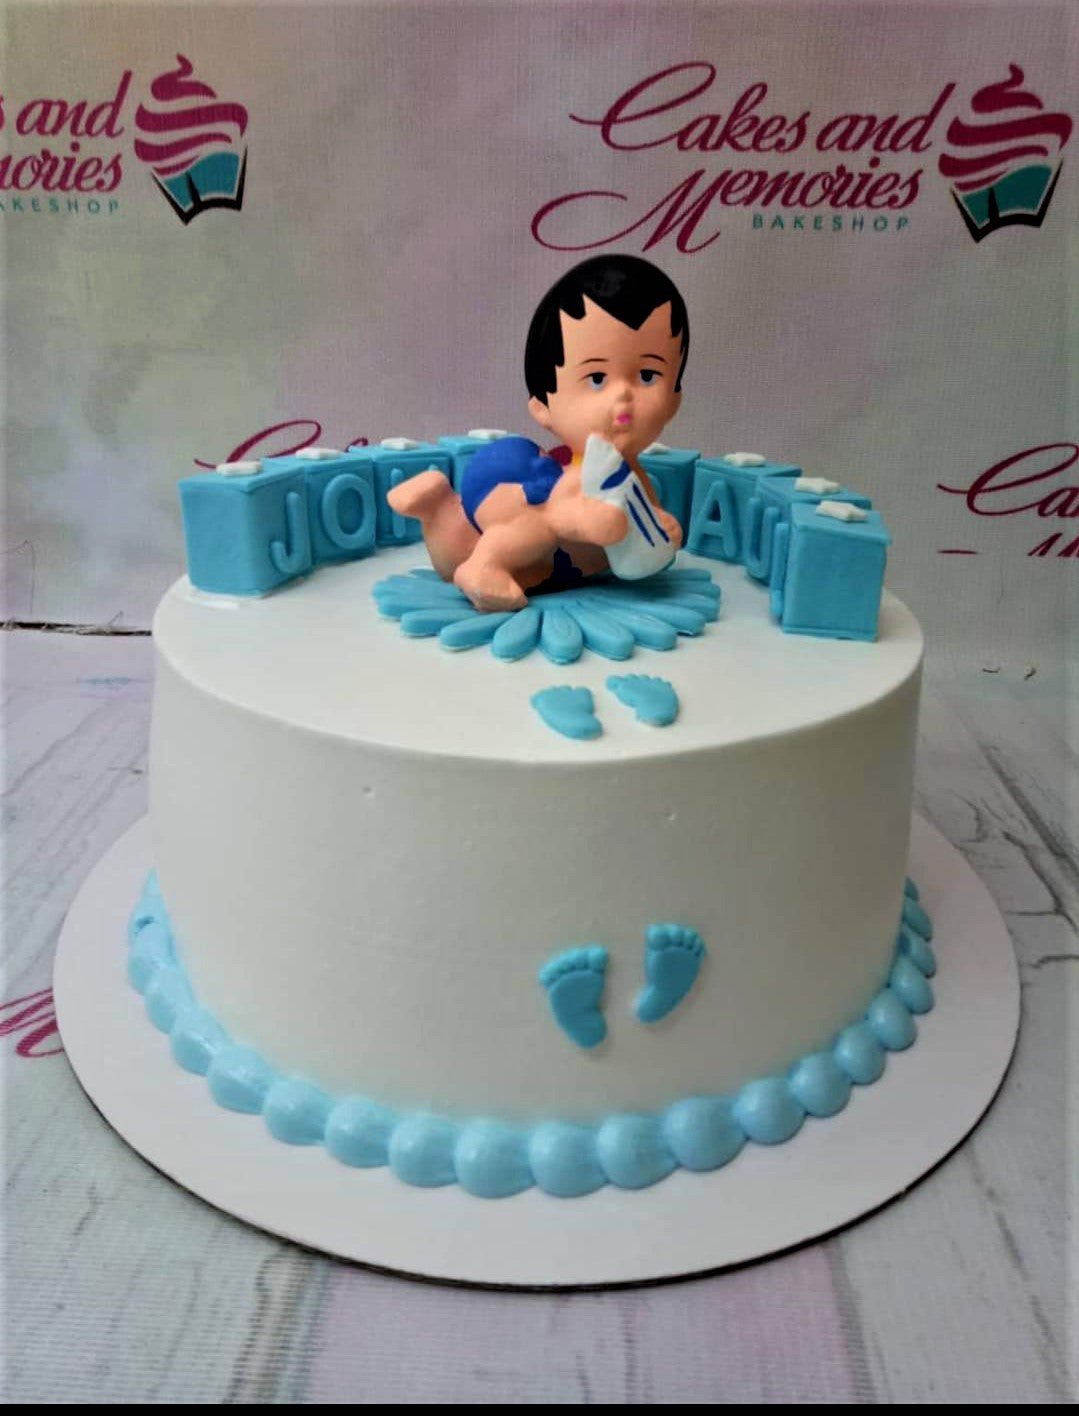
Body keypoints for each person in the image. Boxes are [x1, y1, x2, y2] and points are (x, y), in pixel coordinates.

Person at [388, 254, 689, 612]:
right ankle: (481, 563)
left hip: (553, 571)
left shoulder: (631, 477)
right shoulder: (581, 475)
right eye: (597, 379)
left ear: (674, 399)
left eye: (647, 376)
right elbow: (564, 516)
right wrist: (595, 524)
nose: (623, 395)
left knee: (467, 548)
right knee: (530, 526)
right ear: (543, 406)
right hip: (517, 532)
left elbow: (648, 523)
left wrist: (664, 529)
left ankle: (438, 506)